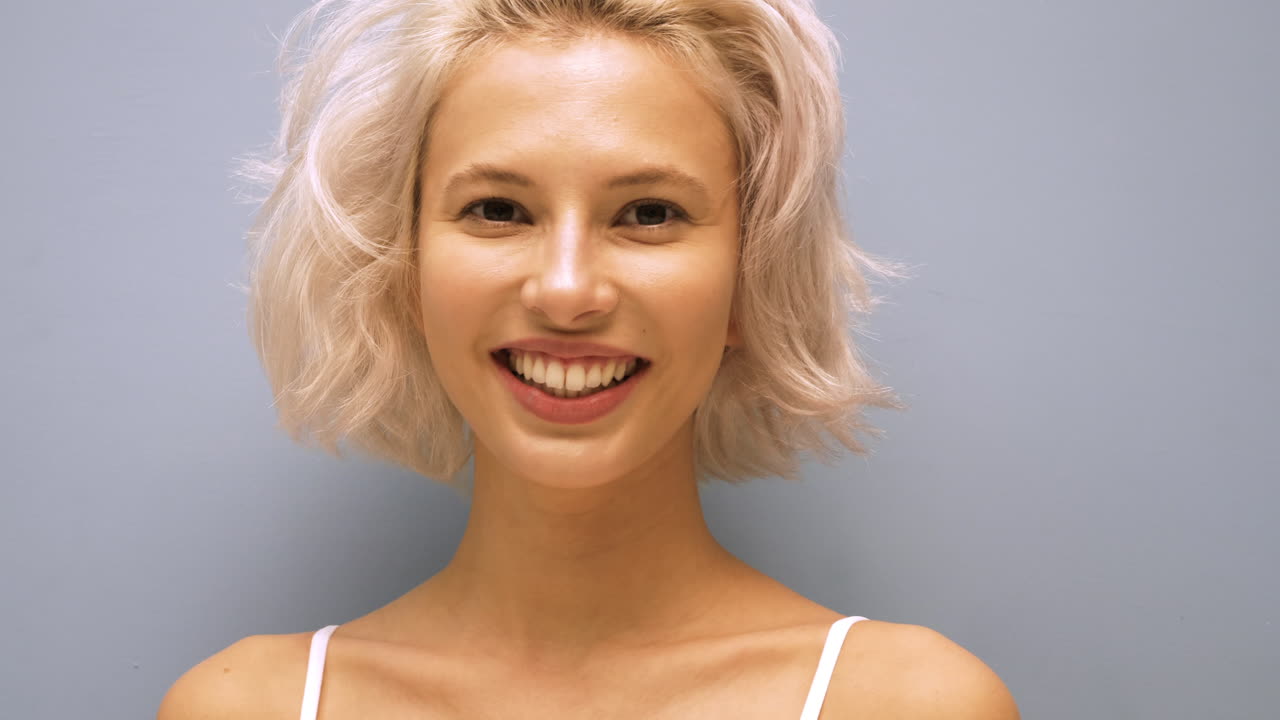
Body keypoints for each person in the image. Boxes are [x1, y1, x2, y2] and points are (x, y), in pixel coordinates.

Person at [160, 0, 1019, 717]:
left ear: (750, 279)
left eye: (649, 214)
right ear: (404, 269)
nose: (567, 291)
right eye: (498, 208)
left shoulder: (909, 704)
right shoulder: (242, 706)